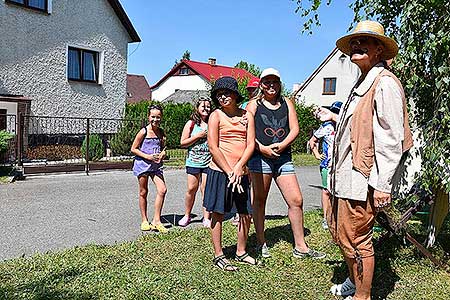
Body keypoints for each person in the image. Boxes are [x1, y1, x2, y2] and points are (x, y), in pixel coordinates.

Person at [319, 20, 413, 300]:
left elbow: (390, 139)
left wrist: (383, 185)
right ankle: (353, 280)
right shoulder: (363, 82)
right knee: (342, 233)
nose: (357, 46)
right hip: (345, 176)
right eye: (355, 43)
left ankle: (363, 295)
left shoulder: (384, 84)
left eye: (365, 42)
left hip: (362, 178)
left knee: (357, 238)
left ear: (379, 51)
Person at [246, 68, 326, 259]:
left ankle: (301, 247)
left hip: (283, 158)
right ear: (261, 85)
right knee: (259, 200)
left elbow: (295, 129)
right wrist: (262, 149)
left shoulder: (286, 103)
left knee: (296, 200)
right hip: (260, 158)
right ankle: (260, 242)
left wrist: (282, 146)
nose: (271, 85)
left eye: (274, 82)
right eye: (267, 82)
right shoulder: (253, 105)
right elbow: (247, 132)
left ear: (280, 84)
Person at [203, 76, 256, 271]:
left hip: (241, 173)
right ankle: (218, 255)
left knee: (245, 213)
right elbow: (213, 146)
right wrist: (228, 171)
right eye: (219, 94)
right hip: (219, 172)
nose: (223, 97)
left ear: (235, 95)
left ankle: (241, 251)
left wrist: (239, 167)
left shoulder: (246, 116)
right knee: (217, 213)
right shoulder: (216, 115)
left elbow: (250, 144)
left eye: (226, 93)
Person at [131, 105, 168, 233]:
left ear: (161, 117)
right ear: (148, 117)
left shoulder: (161, 132)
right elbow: (133, 148)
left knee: (162, 190)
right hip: (143, 165)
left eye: (158, 117)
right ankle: (144, 220)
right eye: (153, 116)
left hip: (156, 167)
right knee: (143, 192)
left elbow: (164, 148)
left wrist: (163, 153)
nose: (155, 119)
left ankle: (156, 220)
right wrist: (147, 156)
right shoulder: (143, 132)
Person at [179, 96, 212, 228]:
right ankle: (187, 215)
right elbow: (182, 142)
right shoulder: (191, 124)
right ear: (197, 108)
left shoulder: (213, 122)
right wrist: (198, 136)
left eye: (208, 106)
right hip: (193, 162)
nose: (206, 108)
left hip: (209, 162)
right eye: (203, 106)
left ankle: (206, 217)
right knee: (192, 189)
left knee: (206, 190)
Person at [231, 77, 260, 226]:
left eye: (254, 89)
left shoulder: (262, 105)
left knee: (254, 183)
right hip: (244, 149)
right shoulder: (243, 106)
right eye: (249, 89)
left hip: (257, 149)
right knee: (242, 181)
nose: (251, 92)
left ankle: (253, 212)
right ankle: (239, 212)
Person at [308, 101, 342, 230]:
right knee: (327, 191)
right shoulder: (326, 127)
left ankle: (338, 216)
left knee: (339, 191)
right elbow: (313, 140)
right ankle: (326, 218)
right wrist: (316, 153)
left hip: (341, 165)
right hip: (327, 165)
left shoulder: (345, 126)